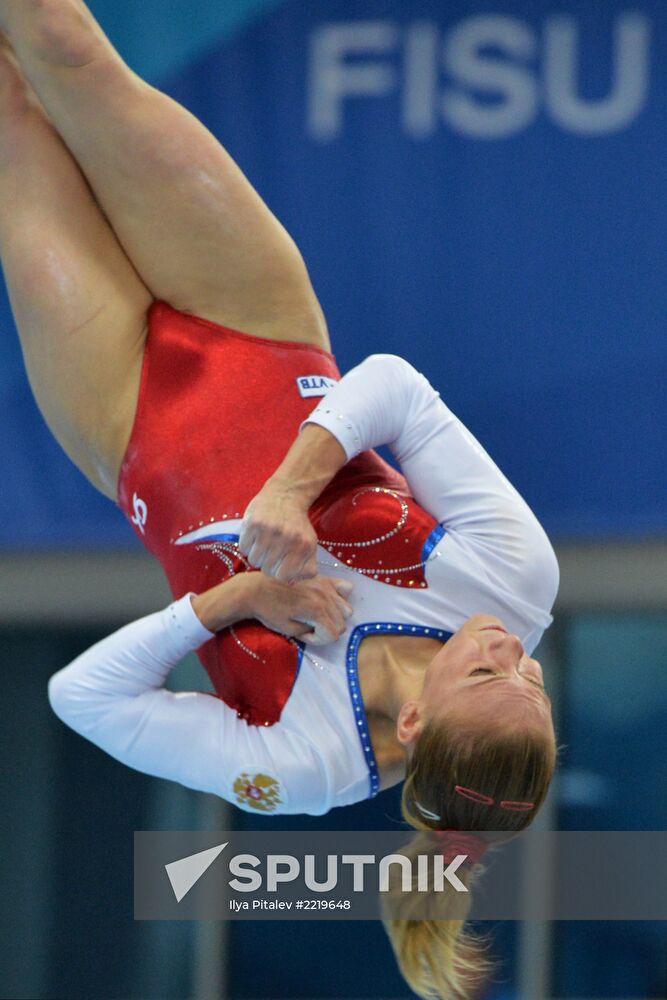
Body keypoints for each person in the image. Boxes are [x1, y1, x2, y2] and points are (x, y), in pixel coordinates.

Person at [0, 3, 559, 995]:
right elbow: (392, 385)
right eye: (535, 678)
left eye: (490, 676)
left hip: (122, 420)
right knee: (67, 47)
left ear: (418, 727)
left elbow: (80, 697)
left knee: (10, 119)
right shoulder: (513, 582)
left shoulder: (304, 764)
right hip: (254, 316)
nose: (512, 649)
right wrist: (296, 488)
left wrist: (227, 605)